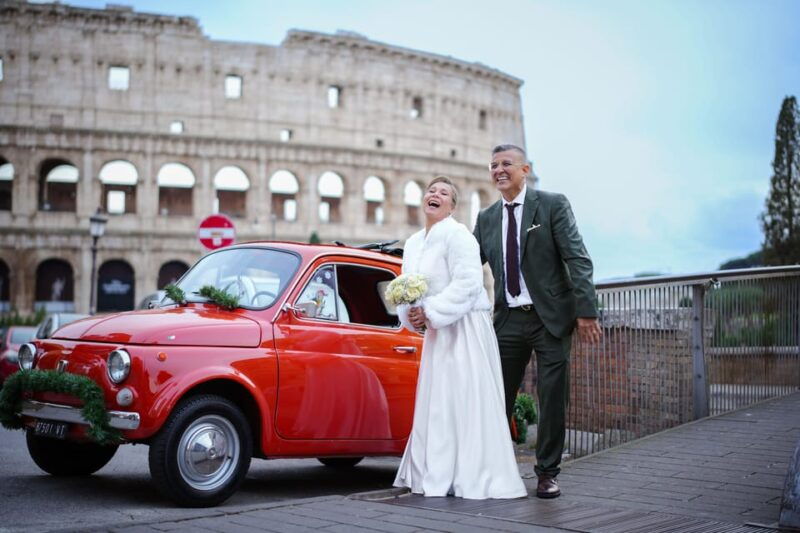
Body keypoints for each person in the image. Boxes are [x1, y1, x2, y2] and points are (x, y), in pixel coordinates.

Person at [473, 144, 601, 499]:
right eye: (494, 165)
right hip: (508, 319)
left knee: (552, 396)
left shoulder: (552, 204)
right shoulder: (486, 219)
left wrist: (586, 312)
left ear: (524, 170)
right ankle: (495, 468)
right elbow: (466, 265)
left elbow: (578, 259)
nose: (499, 170)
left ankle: (547, 473)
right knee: (496, 396)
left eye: (507, 164)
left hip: (550, 320)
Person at [393, 176, 527, 499]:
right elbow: (408, 286)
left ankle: (472, 475)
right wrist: (412, 314)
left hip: (465, 328)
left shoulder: (459, 236)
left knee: (465, 399)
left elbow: (469, 284)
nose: (435, 195)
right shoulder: (412, 243)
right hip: (438, 333)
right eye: (431, 191)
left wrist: (433, 311)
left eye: (444, 193)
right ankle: (437, 473)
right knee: (438, 404)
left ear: (452, 206)